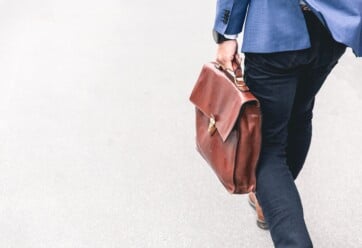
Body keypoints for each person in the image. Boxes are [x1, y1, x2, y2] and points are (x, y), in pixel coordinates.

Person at [213, 0, 361, 247]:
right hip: (330, 31)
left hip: (274, 29)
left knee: (266, 145)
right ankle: (270, 200)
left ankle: (281, 217)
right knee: (300, 114)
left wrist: (226, 32)